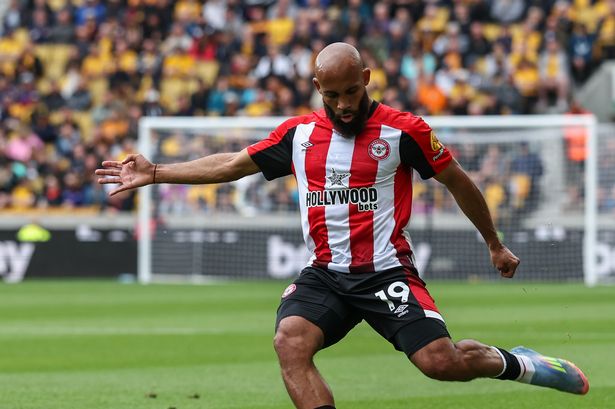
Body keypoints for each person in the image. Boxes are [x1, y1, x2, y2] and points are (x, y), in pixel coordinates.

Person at [95, 42, 589, 409]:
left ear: (367, 77)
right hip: (326, 273)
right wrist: (157, 172)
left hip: (386, 272)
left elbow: (458, 182)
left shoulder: (405, 131)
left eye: (352, 91)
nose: (345, 103)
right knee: (290, 341)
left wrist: (494, 243)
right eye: (333, 95)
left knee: (441, 364)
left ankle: (521, 364)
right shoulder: (300, 135)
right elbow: (230, 165)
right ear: (318, 89)